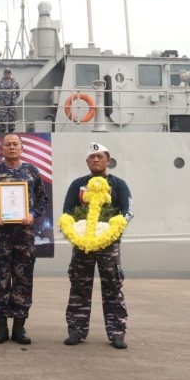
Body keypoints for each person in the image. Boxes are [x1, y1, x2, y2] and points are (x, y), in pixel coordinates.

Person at [0, 134, 49, 344]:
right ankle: (0, 327)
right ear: (2, 148)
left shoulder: (31, 171)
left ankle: (19, 327)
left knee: (23, 280)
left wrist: (33, 215)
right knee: (0, 280)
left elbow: (42, 200)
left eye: (15, 144)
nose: (11, 147)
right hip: (1, 235)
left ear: (22, 148)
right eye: (7, 144)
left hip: (24, 235)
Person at [63, 143, 133, 350]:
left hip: (109, 245)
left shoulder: (119, 184)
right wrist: (74, 232)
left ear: (108, 161)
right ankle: (76, 330)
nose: (95, 160)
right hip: (83, 244)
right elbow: (67, 211)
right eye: (92, 157)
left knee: (113, 287)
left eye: (99, 156)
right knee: (79, 286)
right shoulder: (78, 184)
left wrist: (113, 229)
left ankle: (116, 332)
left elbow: (128, 211)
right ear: (87, 162)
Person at [0, 68, 20, 133]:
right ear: (4, 74)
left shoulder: (15, 83)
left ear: (11, 74)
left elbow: (18, 92)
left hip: (12, 103)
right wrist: (1, 99)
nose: (7, 74)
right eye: (6, 73)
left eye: (8, 73)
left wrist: (14, 99)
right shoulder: (0, 83)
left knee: (12, 118)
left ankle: (11, 132)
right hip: (3, 103)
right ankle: (2, 132)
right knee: (3, 118)